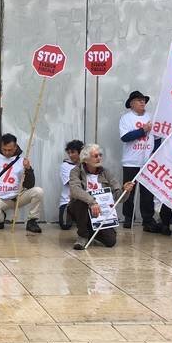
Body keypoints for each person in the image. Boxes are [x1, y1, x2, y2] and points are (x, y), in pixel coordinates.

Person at [67, 143, 135, 250]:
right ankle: (83, 235)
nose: (99, 158)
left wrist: (125, 191)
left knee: (110, 241)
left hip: (100, 212)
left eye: (100, 155)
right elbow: (75, 190)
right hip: (81, 208)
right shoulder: (76, 171)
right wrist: (92, 202)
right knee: (81, 201)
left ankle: (89, 231)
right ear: (86, 159)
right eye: (95, 156)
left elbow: (118, 197)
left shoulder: (106, 172)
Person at [0, 133, 43, 233]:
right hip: (0, 198)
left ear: (15, 147)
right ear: (1, 147)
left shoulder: (22, 160)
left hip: (18, 197)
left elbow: (29, 185)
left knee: (38, 191)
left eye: (9, 150)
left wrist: (28, 169)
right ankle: (0, 219)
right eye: (4, 149)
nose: (6, 152)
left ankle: (32, 221)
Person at [119, 90, 157, 232]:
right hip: (131, 161)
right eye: (139, 100)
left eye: (144, 100)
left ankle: (148, 220)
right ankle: (128, 218)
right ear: (131, 104)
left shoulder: (151, 117)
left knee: (147, 192)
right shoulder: (126, 118)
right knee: (128, 191)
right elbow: (125, 137)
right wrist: (142, 130)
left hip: (147, 161)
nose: (142, 102)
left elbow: (157, 137)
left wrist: (155, 152)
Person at [58, 140, 83, 230]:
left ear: (81, 152)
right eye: (69, 153)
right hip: (68, 202)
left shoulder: (87, 165)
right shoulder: (65, 166)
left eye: (73, 152)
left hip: (85, 201)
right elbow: (73, 183)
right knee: (65, 225)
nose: (70, 155)